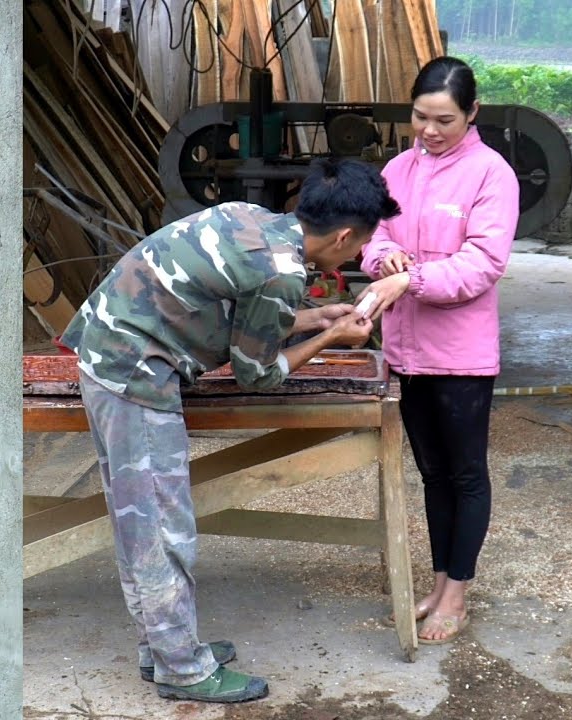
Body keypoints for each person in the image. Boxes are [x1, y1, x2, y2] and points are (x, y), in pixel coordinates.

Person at [58, 157, 401, 703]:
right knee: (160, 526)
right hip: (135, 372)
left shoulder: (253, 220)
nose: (357, 255)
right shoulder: (281, 274)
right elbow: (259, 371)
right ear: (343, 237)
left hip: (113, 348)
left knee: (140, 520)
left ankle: (164, 647)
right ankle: (182, 670)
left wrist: (314, 317)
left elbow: (238, 308)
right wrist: (331, 339)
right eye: (359, 245)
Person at [356, 56, 520, 646]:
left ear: (472, 113)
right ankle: (438, 578)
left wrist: (413, 280)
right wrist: (385, 260)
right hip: (407, 348)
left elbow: (483, 263)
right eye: (420, 117)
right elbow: (374, 234)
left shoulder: (491, 175)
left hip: (462, 355)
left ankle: (459, 593)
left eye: (444, 119)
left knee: (466, 473)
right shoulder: (398, 168)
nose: (429, 131)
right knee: (432, 474)